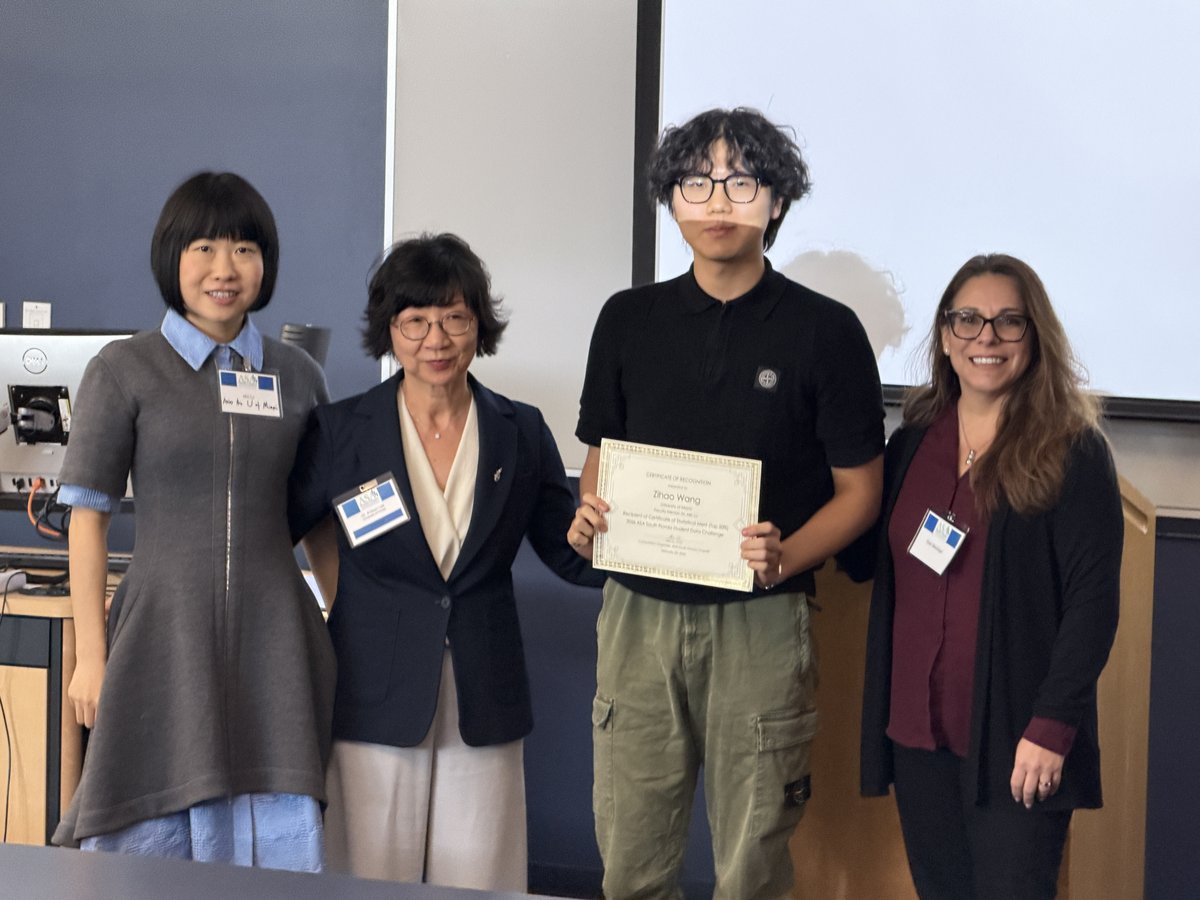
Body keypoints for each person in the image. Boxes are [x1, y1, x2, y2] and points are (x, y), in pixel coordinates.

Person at [568, 107, 885, 899]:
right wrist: (589, 517)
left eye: (741, 183)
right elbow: (599, 466)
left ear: (776, 201)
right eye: (697, 182)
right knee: (631, 860)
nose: (717, 201)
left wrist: (786, 557)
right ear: (670, 199)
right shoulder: (626, 319)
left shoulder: (827, 331)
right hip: (637, 615)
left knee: (752, 864)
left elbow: (861, 495)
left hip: (762, 616)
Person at [287, 232, 603, 891]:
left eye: (455, 318)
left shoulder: (521, 430)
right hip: (371, 687)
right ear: (390, 329)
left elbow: (569, 556)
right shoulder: (342, 431)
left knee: (479, 877)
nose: (436, 338)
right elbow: (275, 532)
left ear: (479, 326)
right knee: (365, 877)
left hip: (484, 690)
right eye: (416, 320)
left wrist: (602, 537)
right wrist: (323, 602)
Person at [53, 172, 335, 871]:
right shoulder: (123, 369)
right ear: (171, 258)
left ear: (264, 263)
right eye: (203, 247)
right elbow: (86, 519)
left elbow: (321, 521)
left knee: (277, 840)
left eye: (243, 249)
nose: (223, 269)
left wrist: (339, 619)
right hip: (160, 634)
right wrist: (92, 655)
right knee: (144, 841)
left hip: (276, 639)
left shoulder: (298, 376)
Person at [859, 254, 1122, 899]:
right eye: (969, 320)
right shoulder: (913, 443)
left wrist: (1052, 727)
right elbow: (874, 558)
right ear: (946, 336)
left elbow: (1092, 604)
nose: (987, 338)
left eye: (1010, 323)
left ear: (1035, 339)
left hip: (1017, 741)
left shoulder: (1071, 449)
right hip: (919, 735)